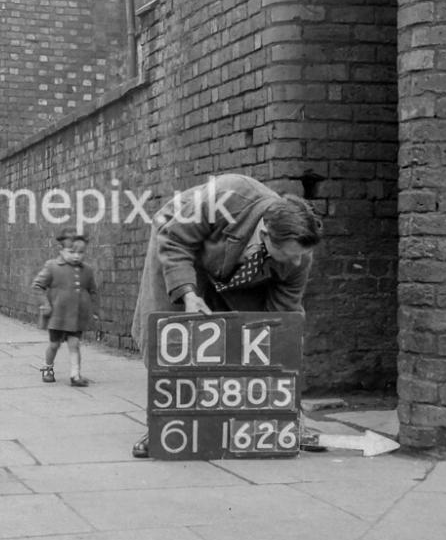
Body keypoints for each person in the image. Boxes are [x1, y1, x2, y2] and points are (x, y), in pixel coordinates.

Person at [129, 173, 323, 458]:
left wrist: (287, 404)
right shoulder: (229, 195)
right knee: (172, 334)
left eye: (301, 255)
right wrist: (189, 295)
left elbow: (284, 320)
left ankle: (283, 419)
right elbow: (175, 240)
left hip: (236, 267)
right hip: (176, 240)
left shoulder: (298, 257)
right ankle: (164, 423)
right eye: (289, 254)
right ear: (266, 235)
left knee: (258, 336)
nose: (297, 262)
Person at [32, 228, 100, 387]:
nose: (76, 256)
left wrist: (95, 311)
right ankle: (47, 368)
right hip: (58, 315)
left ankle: (75, 375)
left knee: (74, 344)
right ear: (61, 250)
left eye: (81, 252)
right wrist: (45, 304)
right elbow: (37, 286)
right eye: (71, 252)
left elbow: (93, 291)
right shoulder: (52, 266)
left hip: (76, 316)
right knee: (54, 345)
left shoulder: (87, 270)